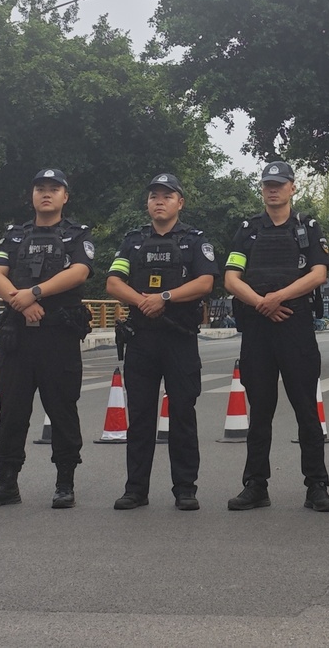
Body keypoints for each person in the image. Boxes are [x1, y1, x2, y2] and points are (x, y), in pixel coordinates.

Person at [0, 168, 95, 509]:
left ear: (65, 196)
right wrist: (22, 301)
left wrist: (35, 292)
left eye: (53, 189)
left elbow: (80, 272)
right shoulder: (14, 235)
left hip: (58, 337)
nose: (46, 193)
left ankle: (65, 483)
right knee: (13, 413)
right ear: (31, 195)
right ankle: (7, 483)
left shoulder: (76, 235)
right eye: (40, 188)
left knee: (62, 411)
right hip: (19, 338)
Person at [222, 159, 329, 513]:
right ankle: (255, 485)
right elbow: (231, 278)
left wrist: (278, 297)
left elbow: (319, 274)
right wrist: (261, 303)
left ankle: (316, 486)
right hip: (258, 328)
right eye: (268, 185)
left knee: (306, 410)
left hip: (295, 327)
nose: (273, 190)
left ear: (292, 187)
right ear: (262, 189)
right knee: (259, 412)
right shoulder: (247, 230)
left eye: (279, 184)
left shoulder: (307, 227)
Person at [104, 172, 218, 511]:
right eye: (154, 196)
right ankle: (135, 490)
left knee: (182, 414)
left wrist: (164, 297)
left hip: (179, 339)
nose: (159, 201)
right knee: (140, 417)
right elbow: (113, 282)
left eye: (167, 196)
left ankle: (185, 489)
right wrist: (143, 302)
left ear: (180, 202)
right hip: (142, 339)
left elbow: (206, 283)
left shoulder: (195, 241)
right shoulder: (133, 241)